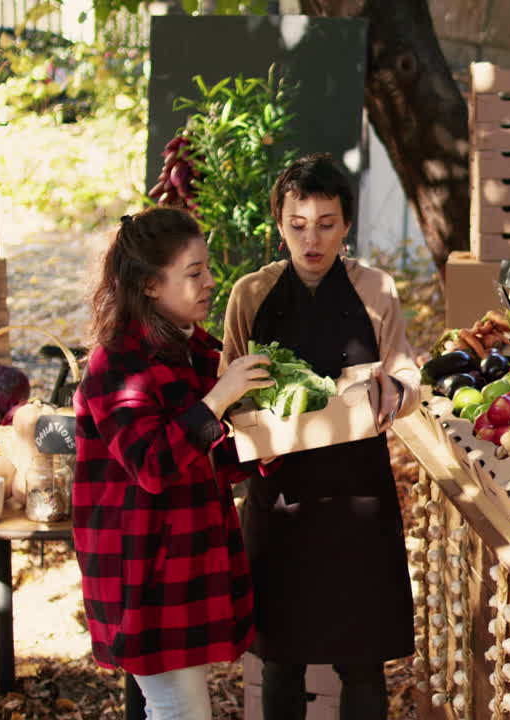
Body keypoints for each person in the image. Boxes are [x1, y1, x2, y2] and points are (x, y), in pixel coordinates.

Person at [220, 153, 421, 720]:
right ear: (279, 224)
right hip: (279, 495)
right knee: (279, 656)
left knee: (362, 660)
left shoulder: (376, 289)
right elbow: (227, 382)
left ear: (347, 225)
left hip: (357, 495)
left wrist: (395, 391)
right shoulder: (250, 294)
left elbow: (406, 370)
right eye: (298, 224)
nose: (312, 240)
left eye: (327, 224)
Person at [72, 208, 276, 720]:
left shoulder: (195, 350)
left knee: (177, 709)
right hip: (142, 568)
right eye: (194, 273)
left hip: (185, 557)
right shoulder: (115, 363)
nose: (210, 282)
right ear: (149, 286)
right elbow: (153, 464)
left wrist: (257, 450)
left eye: (207, 268)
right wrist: (218, 401)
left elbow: (207, 457)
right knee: (179, 711)